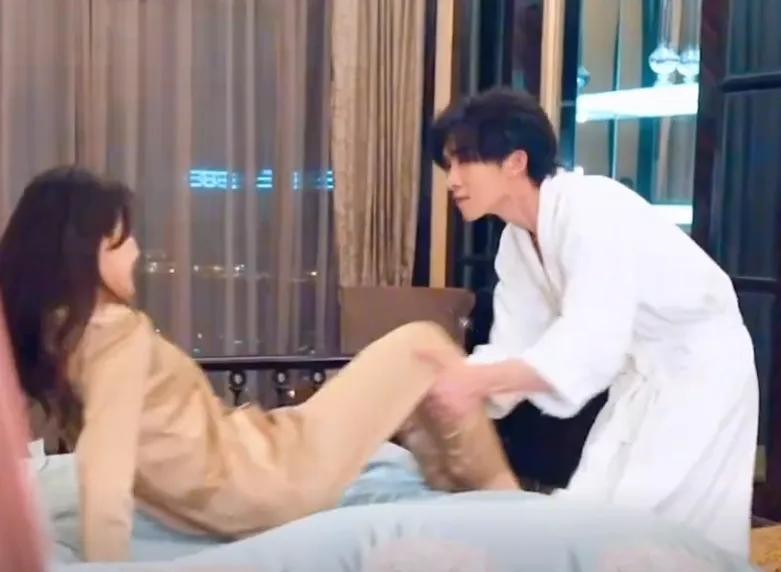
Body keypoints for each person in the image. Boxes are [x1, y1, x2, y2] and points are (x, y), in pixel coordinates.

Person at [0, 166, 517, 562]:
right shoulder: (114, 336)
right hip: (264, 479)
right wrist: (105, 563)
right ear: (87, 251)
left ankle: (454, 487)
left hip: (246, 466)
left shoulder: (63, 336)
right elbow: (104, 473)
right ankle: (506, 500)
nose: (135, 252)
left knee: (406, 388)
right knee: (423, 346)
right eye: (122, 239)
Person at [422, 87, 759, 556]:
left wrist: (476, 383)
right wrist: (458, 387)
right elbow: (514, 343)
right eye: (448, 165)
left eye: (464, 162)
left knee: (659, 524)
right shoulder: (516, 242)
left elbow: (591, 341)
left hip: (700, 374)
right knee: (594, 506)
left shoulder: (592, 208)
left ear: (515, 161)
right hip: (639, 379)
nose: (452, 180)